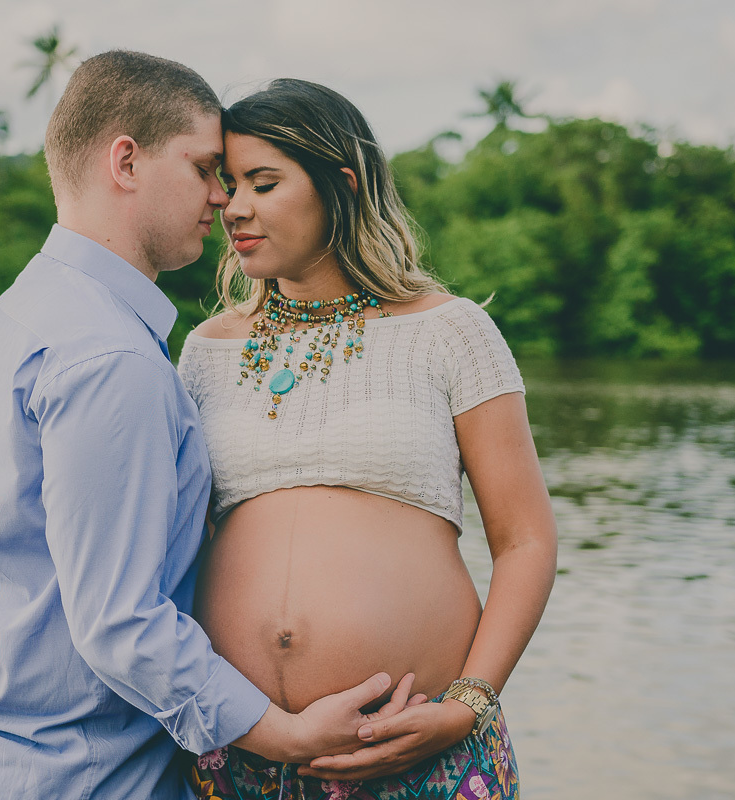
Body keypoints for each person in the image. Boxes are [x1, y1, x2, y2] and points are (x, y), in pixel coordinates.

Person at [0, 52, 419, 800]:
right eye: (204, 168)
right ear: (126, 161)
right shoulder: (108, 355)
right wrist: (283, 733)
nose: (221, 198)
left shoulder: (32, 309)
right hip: (76, 777)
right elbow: (120, 622)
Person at [177, 78, 558, 800]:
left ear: (340, 186)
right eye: (228, 184)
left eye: (264, 182)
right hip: (242, 756)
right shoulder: (205, 351)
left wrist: (465, 705)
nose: (235, 207)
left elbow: (526, 542)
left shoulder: (450, 331)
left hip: (420, 752)